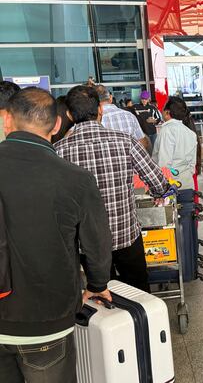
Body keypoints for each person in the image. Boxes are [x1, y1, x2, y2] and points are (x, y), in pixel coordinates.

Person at [0, 87, 112, 383]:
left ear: (7, 120)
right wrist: (98, 284)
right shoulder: (75, 179)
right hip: (46, 320)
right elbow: (97, 244)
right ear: (58, 124)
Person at [55, 85, 170, 292]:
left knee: (101, 295)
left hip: (88, 245)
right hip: (126, 235)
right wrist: (158, 193)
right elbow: (158, 182)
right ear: (100, 109)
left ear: (70, 115)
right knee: (138, 292)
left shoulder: (58, 151)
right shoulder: (125, 141)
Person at [152, 97, 198, 190]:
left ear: (167, 112)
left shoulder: (167, 130)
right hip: (187, 183)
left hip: (170, 186)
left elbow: (164, 163)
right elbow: (192, 164)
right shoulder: (191, 133)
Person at [97, 85, 151, 153]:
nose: (144, 100)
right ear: (110, 98)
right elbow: (143, 143)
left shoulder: (94, 119)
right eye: (143, 99)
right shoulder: (129, 115)